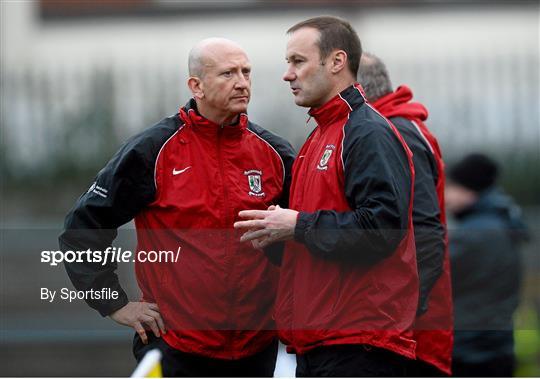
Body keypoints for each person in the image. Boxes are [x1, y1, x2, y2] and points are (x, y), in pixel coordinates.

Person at [59, 38, 295, 377]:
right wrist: (114, 304)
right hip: (175, 347)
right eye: (228, 73)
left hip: (256, 347)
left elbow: (301, 240)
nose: (242, 82)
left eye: (246, 72)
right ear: (195, 85)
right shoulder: (152, 150)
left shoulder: (275, 153)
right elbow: (82, 228)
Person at [234, 16, 418, 376]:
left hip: (360, 346)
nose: (288, 74)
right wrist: (276, 235)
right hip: (321, 343)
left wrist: (298, 224)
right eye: (288, 63)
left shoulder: (366, 132)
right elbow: (320, 239)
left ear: (336, 62)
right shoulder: (318, 136)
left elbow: (381, 229)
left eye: (298, 61)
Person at [358, 52, 453, 376]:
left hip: (410, 340)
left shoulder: (396, 132)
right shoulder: (397, 126)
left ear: (355, 87)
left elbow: (426, 232)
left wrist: (402, 313)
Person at [446, 153, 528, 377]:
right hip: (497, 348)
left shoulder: (473, 234)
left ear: (469, 190)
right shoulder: (503, 222)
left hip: (470, 352)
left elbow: (429, 277)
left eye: (452, 186)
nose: (446, 194)